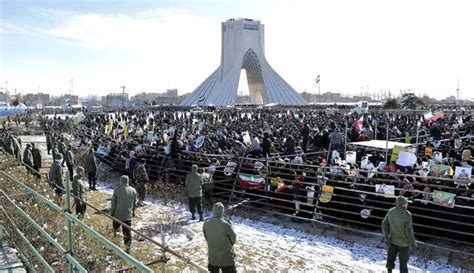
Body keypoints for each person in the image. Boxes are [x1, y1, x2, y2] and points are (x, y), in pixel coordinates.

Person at [382, 195, 417, 273]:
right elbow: (409, 230)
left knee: (390, 258)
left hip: (392, 240)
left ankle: (389, 271)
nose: (407, 204)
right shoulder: (407, 214)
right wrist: (413, 243)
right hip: (404, 243)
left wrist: (386, 237)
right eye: (406, 203)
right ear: (402, 204)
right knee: (403, 262)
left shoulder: (390, 211)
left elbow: (384, 224)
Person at [203, 202, 237, 273]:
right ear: (222, 212)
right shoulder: (226, 224)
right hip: (226, 259)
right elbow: (233, 239)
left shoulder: (206, 223)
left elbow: (207, 238)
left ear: (213, 211)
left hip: (212, 258)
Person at [110, 175, 137, 253]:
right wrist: (133, 213)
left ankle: (114, 245)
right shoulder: (133, 191)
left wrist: (112, 213)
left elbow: (113, 204)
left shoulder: (117, 190)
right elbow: (134, 204)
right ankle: (127, 248)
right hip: (127, 216)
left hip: (117, 215)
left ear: (121, 181)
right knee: (127, 233)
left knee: (115, 230)